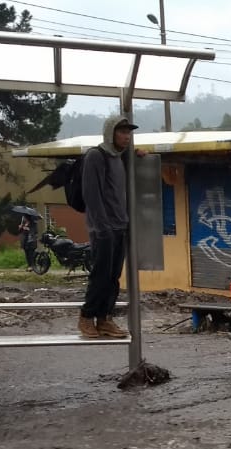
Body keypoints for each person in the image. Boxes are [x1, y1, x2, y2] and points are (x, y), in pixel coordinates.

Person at [78, 115, 137, 339]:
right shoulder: (97, 155)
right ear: (111, 132)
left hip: (119, 226)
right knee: (100, 275)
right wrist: (102, 226)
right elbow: (91, 194)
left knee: (113, 277)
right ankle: (86, 317)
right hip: (103, 228)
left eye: (129, 133)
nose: (127, 136)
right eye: (122, 132)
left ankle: (104, 319)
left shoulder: (119, 158)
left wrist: (138, 156)